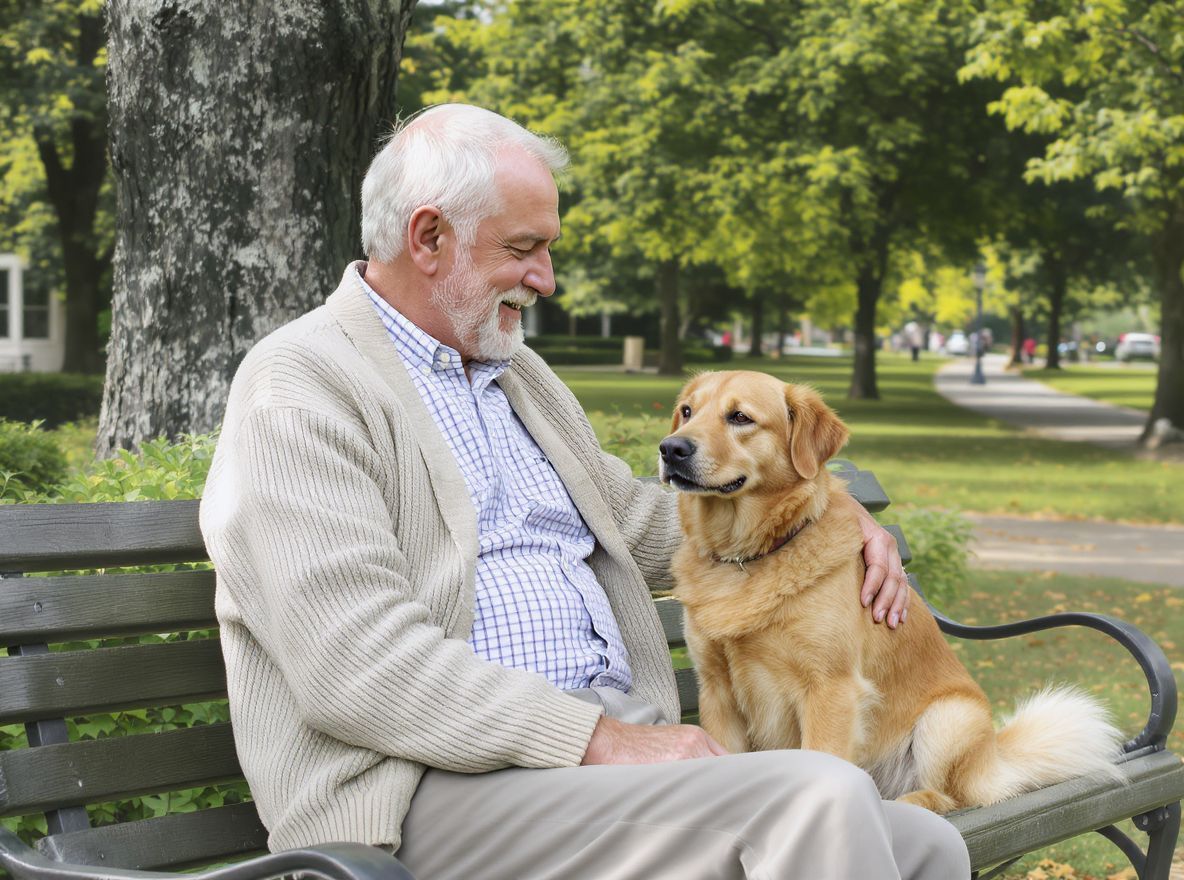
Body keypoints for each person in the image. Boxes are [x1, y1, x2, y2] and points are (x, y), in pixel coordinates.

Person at [199, 103, 970, 879]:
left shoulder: (515, 376)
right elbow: (355, 664)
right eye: (524, 248)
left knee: (927, 844)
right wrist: (595, 739)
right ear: (428, 239)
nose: (546, 278)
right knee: (823, 798)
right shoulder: (301, 385)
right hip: (425, 791)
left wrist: (838, 526)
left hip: (592, 759)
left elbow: (649, 525)